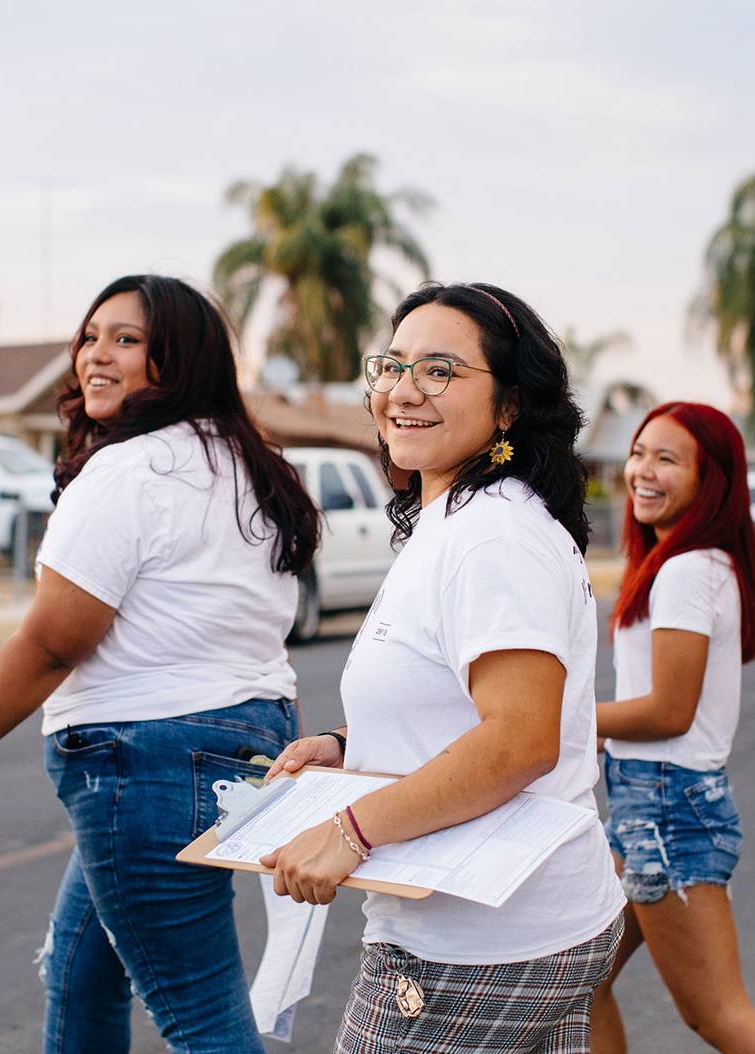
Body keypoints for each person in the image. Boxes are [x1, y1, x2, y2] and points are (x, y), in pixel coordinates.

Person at [0, 274, 319, 1054]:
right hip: (241, 745)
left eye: (127, 340)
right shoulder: (248, 468)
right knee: (81, 972)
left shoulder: (128, 472)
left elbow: (52, 643)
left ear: (175, 361)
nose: (95, 356)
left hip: (144, 762)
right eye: (91, 336)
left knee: (200, 1015)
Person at [263, 282, 625, 1053]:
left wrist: (350, 831)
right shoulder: (454, 523)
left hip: (478, 940)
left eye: (440, 370)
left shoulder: (493, 537)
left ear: (509, 408)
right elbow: (456, 706)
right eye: (392, 366)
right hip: (508, 921)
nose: (403, 389)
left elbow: (519, 740)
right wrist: (344, 745)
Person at [587, 402, 755, 1054]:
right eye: (639, 453)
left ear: (711, 481)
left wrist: (562, 721)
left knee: (717, 1014)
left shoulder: (685, 569)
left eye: (667, 459)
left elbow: (668, 712)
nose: (643, 471)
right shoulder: (693, 563)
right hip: (646, 806)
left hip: (665, 808)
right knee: (577, 980)